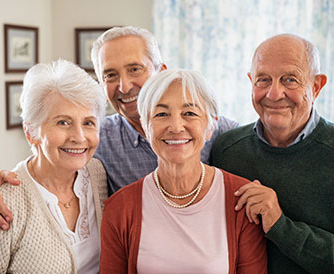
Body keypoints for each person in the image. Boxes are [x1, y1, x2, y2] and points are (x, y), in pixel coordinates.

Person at [0, 26, 238, 233]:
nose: (124, 86)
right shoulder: (96, 139)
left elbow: (263, 147)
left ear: (160, 70)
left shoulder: (212, 129)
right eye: (110, 75)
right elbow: (44, 164)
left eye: (135, 69)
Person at [100, 69, 267, 274]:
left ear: (210, 125)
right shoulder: (119, 209)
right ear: (145, 125)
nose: (176, 127)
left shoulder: (241, 200)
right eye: (161, 114)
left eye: (189, 113)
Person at [211, 34, 333, 274]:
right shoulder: (226, 150)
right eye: (263, 80)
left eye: (289, 79)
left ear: (316, 86)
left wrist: (280, 224)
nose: (274, 94)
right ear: (250, 82)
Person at [0, 59, 108, 273]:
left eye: (88, 122)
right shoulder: (3, 203)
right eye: (63, 122)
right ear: (31, 132)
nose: (79, 137)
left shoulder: (98, 173)